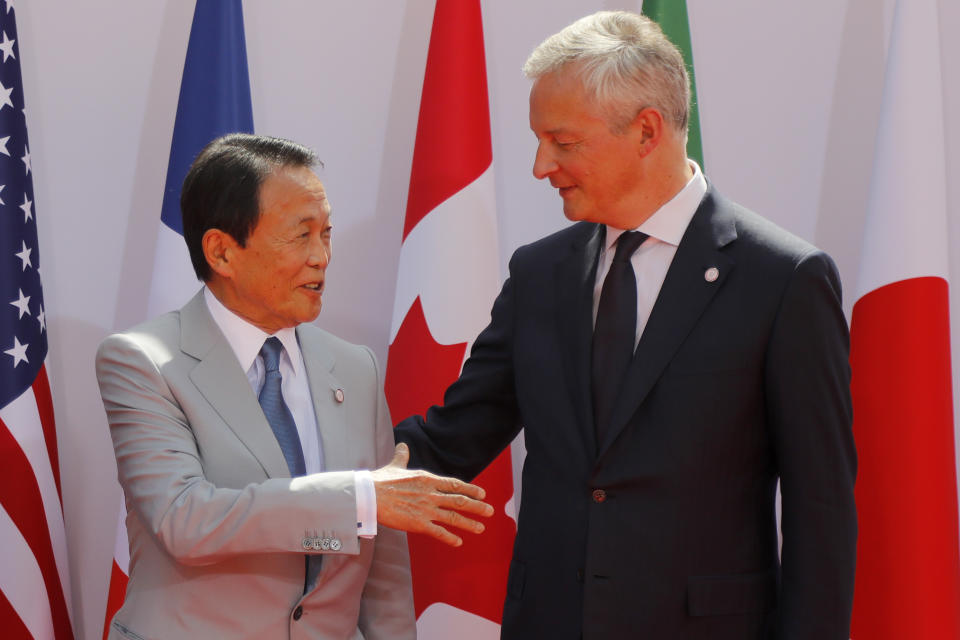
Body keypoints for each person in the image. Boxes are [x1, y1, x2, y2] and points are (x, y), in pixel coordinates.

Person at [394, 10, 856, 640]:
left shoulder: (782, 279)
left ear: (646, 131)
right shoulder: (540, 274)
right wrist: (313, 477)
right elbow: (453, 437)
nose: (539, 166)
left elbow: (820, 510)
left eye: (563, 142)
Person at [95, 133, 492, 640]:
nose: (321, 256)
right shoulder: (142, 361)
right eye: (300, 235)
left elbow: (382, 565)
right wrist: (359, 497)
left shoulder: (355, 368)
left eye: (326, 233)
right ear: (221, 251)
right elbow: (184, 519)